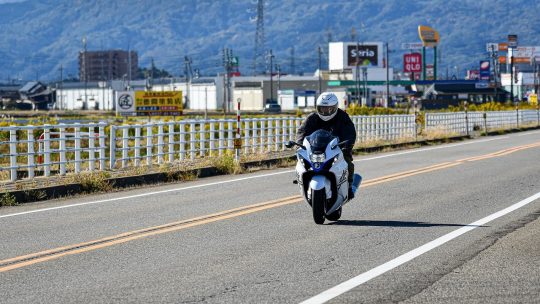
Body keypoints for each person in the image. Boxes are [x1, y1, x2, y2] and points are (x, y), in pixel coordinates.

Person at [296, 92, 357, 199]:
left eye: (329, 109)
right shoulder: (312, 118)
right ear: (317, 108)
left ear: (335, 107)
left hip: (336, 148)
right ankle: (302, 182)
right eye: (322, 108)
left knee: (347, 161)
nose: (325, 111)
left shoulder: (343, 117)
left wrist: (347, 145)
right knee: (301, 162)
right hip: (316, 149)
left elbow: (350, 132)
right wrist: (299, 145)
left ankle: (349, 186)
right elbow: (302, 132)